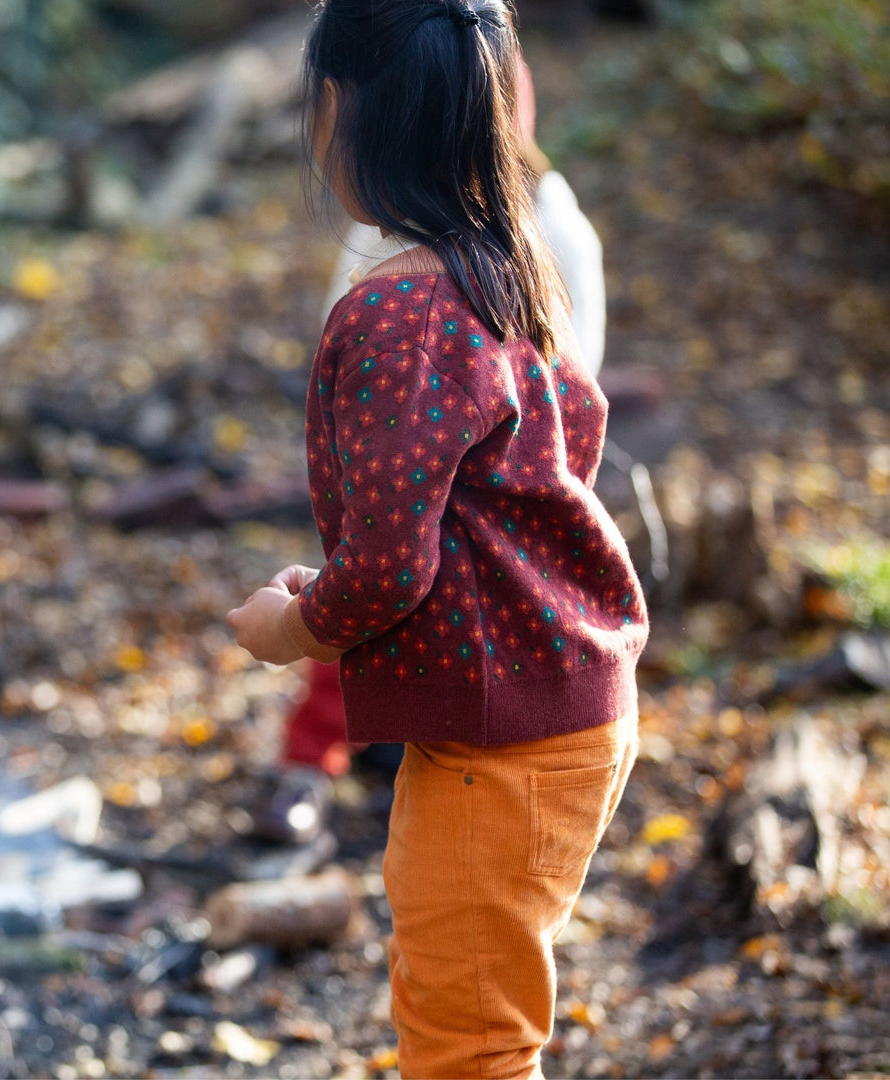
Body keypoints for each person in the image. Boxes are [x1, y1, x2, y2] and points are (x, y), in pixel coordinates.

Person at [227, 1, 648, 1076]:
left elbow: (391, 566)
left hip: (498, 746)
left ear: (339, 113)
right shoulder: (513, 270)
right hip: (559, 705)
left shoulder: (394, 311)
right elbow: (536, 472)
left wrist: (292, 625)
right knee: (463, 1004)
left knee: (467, 1044)